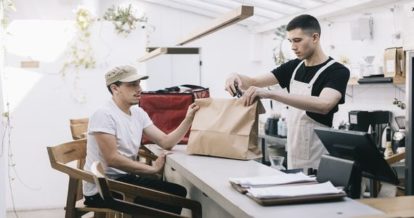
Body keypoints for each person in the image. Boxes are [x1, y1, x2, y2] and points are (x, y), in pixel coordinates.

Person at [225, 14, 350, 170]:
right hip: (294, 152)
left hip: (319, 157)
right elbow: (254, 82)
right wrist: (234, 76)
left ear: (315, 37)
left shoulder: (337, 71)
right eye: (290, 41)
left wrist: (271, 94)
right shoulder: (293, 67)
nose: (292, 47)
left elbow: (324, 104)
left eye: (297, 40)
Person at [83, 65, 199, 214]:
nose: (139, 89)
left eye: (138, 83)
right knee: (175, 195)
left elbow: (166, 142)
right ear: (115, 88)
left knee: (177, 192)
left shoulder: (138, 113)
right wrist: (152, 169)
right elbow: (112, 159)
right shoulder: (103, 114)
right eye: (132, 85)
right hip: (102, 189)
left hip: (123, 180)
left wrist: (188, 119)